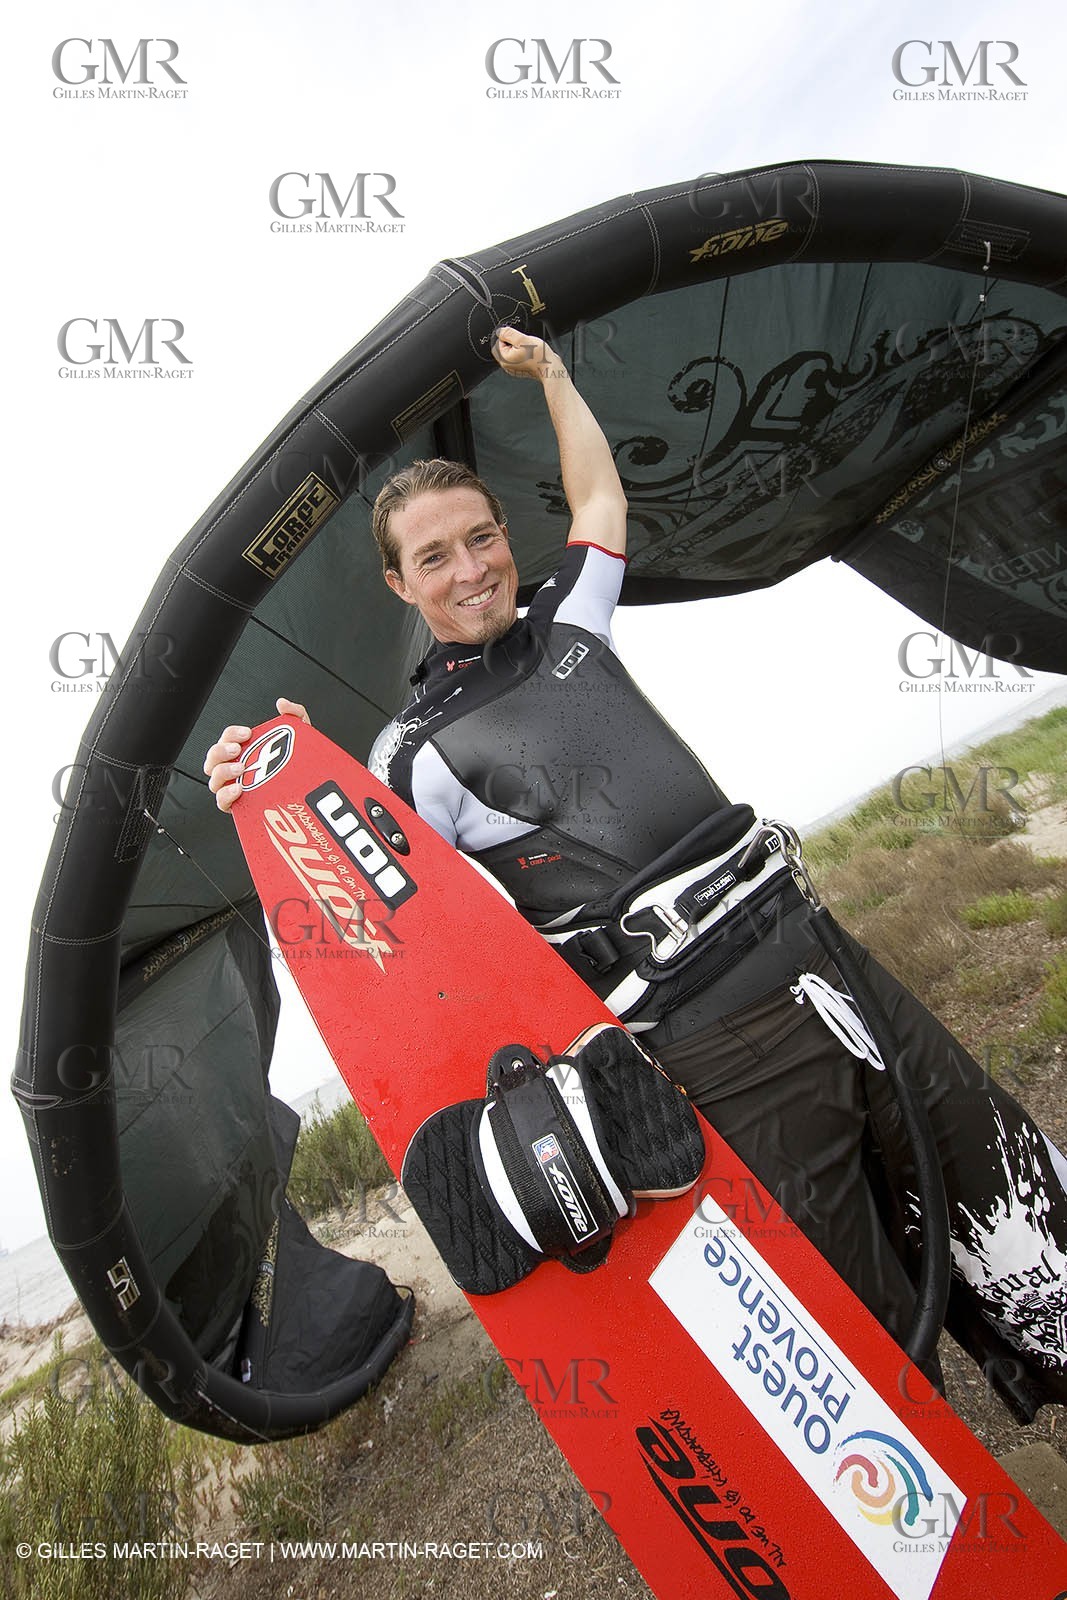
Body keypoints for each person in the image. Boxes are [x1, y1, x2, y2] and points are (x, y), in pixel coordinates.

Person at [206, 326, 1067, 1417]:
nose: (469, 570)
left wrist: (555, 377)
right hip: (713, 1041)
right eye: (434, 557)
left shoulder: (571, 621)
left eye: (480, 537)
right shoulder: (409, 755)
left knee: (1005, 1191)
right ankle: (929, 1491)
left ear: (504, 536)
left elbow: (599, 495)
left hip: (822, 954)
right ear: (398, 582)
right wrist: (269, 778)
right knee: (860, 1316)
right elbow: (367, 896)